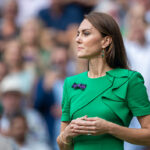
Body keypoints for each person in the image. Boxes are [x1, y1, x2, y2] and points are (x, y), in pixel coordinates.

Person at [57, 12, 150, 150]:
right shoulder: (71, 83)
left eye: (86, 33)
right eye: (78, 34)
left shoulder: (129, 80)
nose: (77, 39)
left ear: (105, 41)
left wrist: (109, 128)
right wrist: (67, 135)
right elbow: (63, 146)